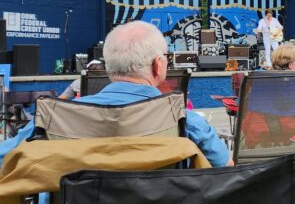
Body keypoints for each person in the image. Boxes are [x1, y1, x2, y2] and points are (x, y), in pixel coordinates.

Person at [0, 21, 230, 168]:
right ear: (159, 66)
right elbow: (226, 170)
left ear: (109, 66)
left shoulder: (52, 117)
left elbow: (4, 158)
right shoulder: (185, 120)